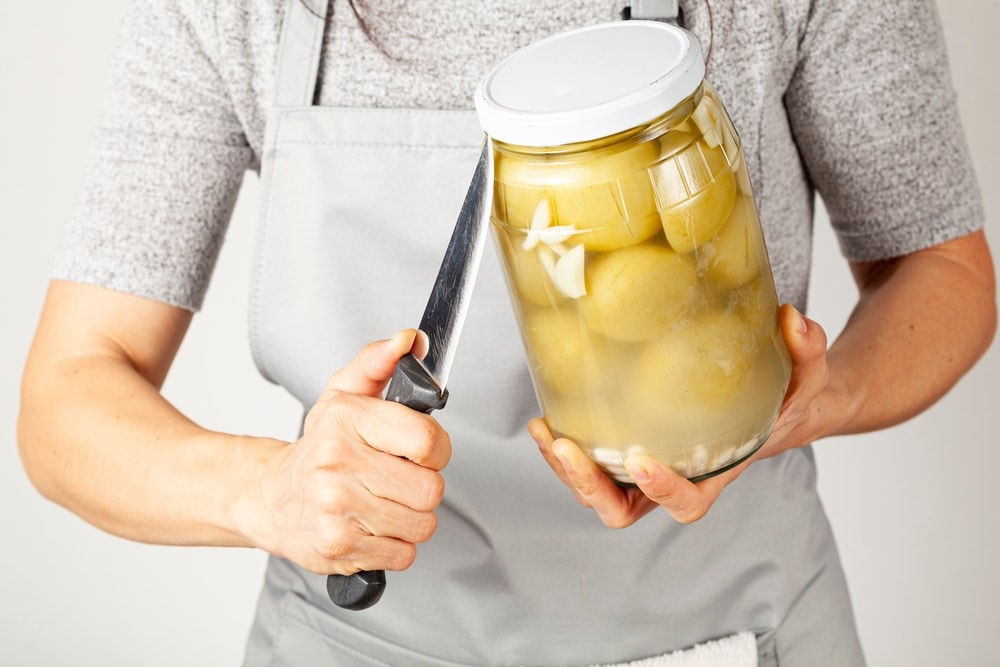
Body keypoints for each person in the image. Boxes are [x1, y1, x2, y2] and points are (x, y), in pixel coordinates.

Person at [17, 0, 996, 665]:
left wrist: (817, 401)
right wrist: (268, 490)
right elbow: (70, 390)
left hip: (727, 630)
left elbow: (941, 271)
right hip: (350, 638)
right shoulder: (236, 11)